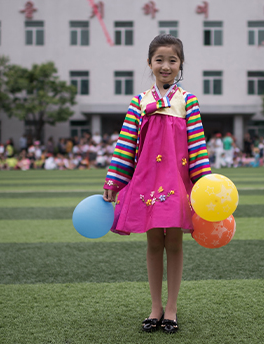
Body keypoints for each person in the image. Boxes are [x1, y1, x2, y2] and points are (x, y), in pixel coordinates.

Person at [103, 35, 211, 334]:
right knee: (153, 243)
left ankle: (172, 309)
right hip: (147, 182)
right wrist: (114, 180)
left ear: (181, 65)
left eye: (172, 60)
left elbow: (197, 146)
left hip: (177, 182)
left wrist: (203, 185)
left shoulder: (187, 100)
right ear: (149, 63)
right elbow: (126, 146)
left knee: (174, 243)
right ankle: (155, 307)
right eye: (159, 60)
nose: (165, 66)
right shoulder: (139, 102)